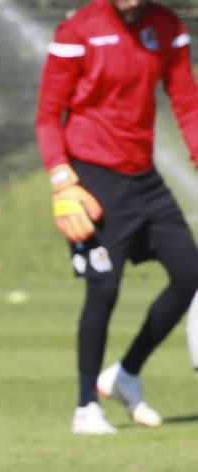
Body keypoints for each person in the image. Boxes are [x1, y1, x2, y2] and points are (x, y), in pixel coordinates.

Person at [36, 0, 198, 435]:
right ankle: (87, 407)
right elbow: (48, 117)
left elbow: (187, 105)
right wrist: (62, 181)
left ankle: (125, 374)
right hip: (92, 182)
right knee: (103, 291)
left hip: (145, 180)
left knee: (190, 273)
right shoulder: (79, 31)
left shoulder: (165, 27)